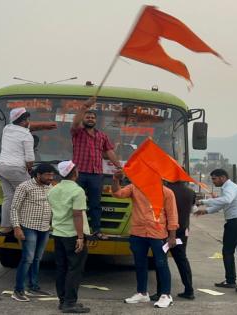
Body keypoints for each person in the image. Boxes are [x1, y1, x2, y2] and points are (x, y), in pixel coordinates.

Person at [112, 170, 178, 308]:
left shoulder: (167, 193)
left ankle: (166, 295)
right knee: (140, 264)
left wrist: (172, 236)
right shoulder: (134, 188)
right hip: (138, 233)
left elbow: (172, 216)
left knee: (161, 264)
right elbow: (117, 194)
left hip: (157, 234)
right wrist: (115, 180)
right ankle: (142, 293)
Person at [0, 107, 56, 234]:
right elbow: (30, 158)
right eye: (28, 119)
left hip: (1, 168)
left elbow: (29, 126)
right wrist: (29, 170)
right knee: (35, 194)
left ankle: (6, 227)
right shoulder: (27, 135)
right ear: (24, 121)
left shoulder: (7, 129)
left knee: (9, 198)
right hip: (16, 169)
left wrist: (44, 125)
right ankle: (33, 225)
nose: (29, 121)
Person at [195, 169, 237, 293]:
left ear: (222, 177)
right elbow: (222, 204)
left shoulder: (229, 188)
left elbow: (226, 200)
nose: (213, 181)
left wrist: (202, 201)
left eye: (214, 179)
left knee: (227, 251)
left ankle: (230, 280)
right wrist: (206, 210)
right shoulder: (231, 188)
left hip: (236, 224)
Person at [71, 97, 121, 240]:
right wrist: (85, 106)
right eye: (88, 117)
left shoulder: (102, 136)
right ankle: (75, 231)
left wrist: (119, 166)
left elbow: (110, 152)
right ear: (84, 119)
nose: (90, 119)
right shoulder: (77, 132)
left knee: (95, 205)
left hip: (96, 175)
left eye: (93, 117)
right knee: (76, 204)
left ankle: (96, 230)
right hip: (78, 174)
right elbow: (75, 122)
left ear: (96, 120)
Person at [48, 161, 90, 313]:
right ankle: (70, 303)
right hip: (73, 235)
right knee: (75, 269)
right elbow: (77, 215)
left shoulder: (53, 190)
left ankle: (63, 300)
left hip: (58, 234)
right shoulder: (77, 191)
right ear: (75, 173)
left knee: (61, 268)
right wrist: (80, 237)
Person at [10, 163, 56, 302]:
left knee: (37, 258)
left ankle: (33, 287)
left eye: (52, 175)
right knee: (27, 259)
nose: (50, 178)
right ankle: (18, 290)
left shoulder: (50, 187)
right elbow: (14, 208)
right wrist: (16, 227)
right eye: (47, 175)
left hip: (44, 228)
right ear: (38, 175)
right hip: (28, 227)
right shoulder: (24, 187)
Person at [151, 181, 196, 301]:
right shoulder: (191, 192)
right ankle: (189, 290)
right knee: (182, 260)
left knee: (161, 261)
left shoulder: (164, 191)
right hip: (183, 231)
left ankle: (161, 292)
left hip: (165, 231)